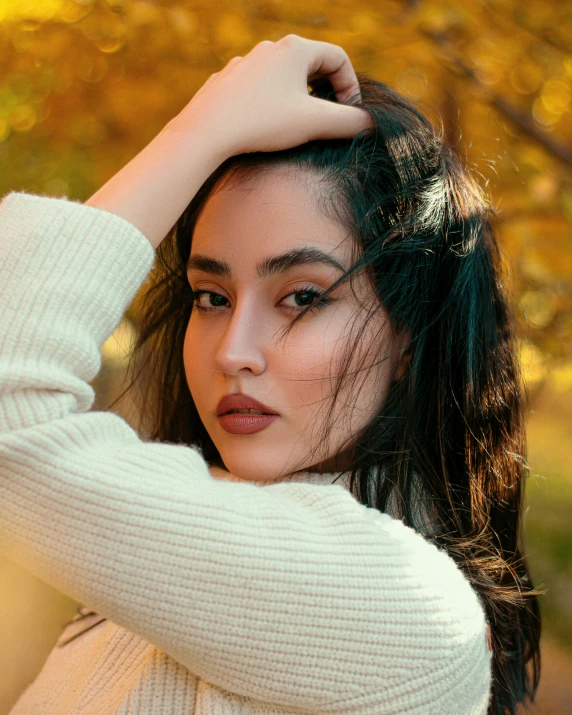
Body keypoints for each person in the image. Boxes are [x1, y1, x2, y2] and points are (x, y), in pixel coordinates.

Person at [0, 35, 540, 715]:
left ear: (409, 338)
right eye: (212, 297)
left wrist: (202, 128)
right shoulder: (185, 551)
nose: (234, 351)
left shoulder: (392, 601)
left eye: (303, 297)